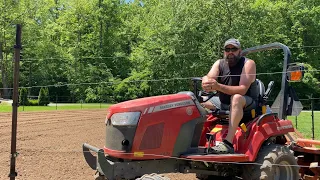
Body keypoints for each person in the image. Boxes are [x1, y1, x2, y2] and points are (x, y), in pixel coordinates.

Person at [201, 38, 258, 154]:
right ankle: (196, 139)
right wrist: (205, 81)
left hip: (246, 103)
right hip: (223, 101)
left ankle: (228, 143)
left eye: (234, 49)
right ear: (224, 51)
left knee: (236, 97)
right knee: (194, 100)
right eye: (228, 49)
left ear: (240, 51)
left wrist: (217, 86)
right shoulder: (219, 63)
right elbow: (209, 77)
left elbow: (242, 90)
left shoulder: (248, 64)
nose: (230, 52)